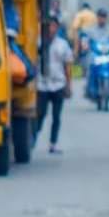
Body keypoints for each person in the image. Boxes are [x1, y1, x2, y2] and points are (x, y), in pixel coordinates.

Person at [35, 14, 73, 155]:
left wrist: (69, 85)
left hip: (58, 84)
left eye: (53, 26)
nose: (51, 29)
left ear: (57, 28)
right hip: (42, 84)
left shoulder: (62, 45)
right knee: (40, 114)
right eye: (48, 26)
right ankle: (33, 140)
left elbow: (67, 66)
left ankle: (53, 143)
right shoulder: (37, 43)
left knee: (56, 116)